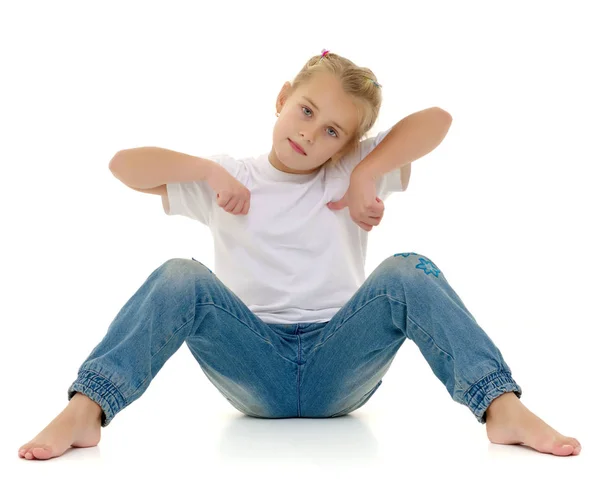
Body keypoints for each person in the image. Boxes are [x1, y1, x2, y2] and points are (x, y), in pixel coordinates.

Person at [18, 49, 581, 461]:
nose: (312, 134)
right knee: (179, 275)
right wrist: (206, 171)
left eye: (334, 131)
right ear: (283, 97)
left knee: (406, 270)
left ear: (347, 143)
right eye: (307, 111)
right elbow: (123, 166)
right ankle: (87, 409)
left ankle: (499, 405)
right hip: (253, 363)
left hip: (341, 363)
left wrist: (366, 171)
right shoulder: (230, 179)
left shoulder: (350, 174)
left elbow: (438, 121)